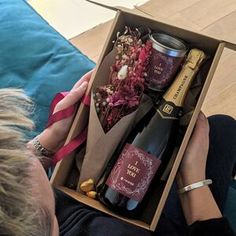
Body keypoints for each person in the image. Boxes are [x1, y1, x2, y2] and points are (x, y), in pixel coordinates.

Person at [0, 70, 235, 236]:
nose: (26, 152)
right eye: (20, 166)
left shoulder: (32, 214)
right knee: (224, 129)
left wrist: (50, 139)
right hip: (142, 221)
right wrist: (192, 180)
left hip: (81, 202)